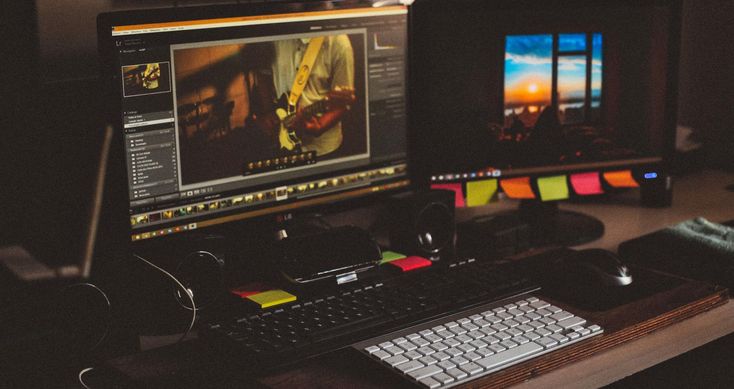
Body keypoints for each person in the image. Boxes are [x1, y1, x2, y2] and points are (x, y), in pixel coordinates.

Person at [247, 35, 355, 157]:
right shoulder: (273, 36)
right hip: (281, 141)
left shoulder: (339, 43)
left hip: (323, 149)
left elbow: (342, 102)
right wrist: (268, 112)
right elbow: (263, 75)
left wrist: (320, 125)